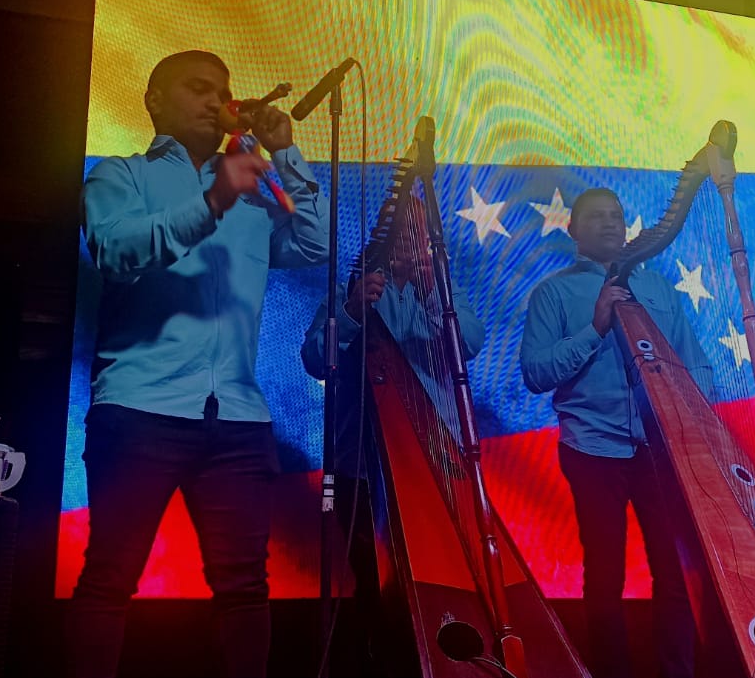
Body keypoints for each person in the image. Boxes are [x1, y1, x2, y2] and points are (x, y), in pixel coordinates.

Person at [69, 50, 330, 678]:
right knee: (109, 578)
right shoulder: (120, 175)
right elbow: (115, 248)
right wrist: (212, 201)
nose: (216, 102)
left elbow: (315, 245)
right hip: (139, 408)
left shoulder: (252, 187)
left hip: (237, 414)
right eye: (198, 89)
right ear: (155, 99)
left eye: (224, 91)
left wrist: (286, 155)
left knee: (245, 587)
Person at [519, 187, 711, 678]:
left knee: (675, 573)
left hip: (662, 452)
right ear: (573, 231)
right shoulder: (554, 294)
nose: (609, 224)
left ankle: (679, 672)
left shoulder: (660, 290)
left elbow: (695, 365)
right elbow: (537, 373)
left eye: (616, 216)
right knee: (605, 575)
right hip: (592, 448)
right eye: (596, 217)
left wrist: (698, 430)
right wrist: (596, 326)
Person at [300, 194, 485, 676]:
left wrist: (428, 290)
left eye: (421, 237)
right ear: (385, 239)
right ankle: (381, 662)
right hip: (357, 466)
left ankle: (441, 661)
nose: (414, 245)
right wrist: (354, 311)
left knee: (438, 572)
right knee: (373, 579)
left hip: (431, 463)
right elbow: (317, 359)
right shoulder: (347, 294)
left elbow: (468, 343)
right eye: (405, 234)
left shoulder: (443, 294)